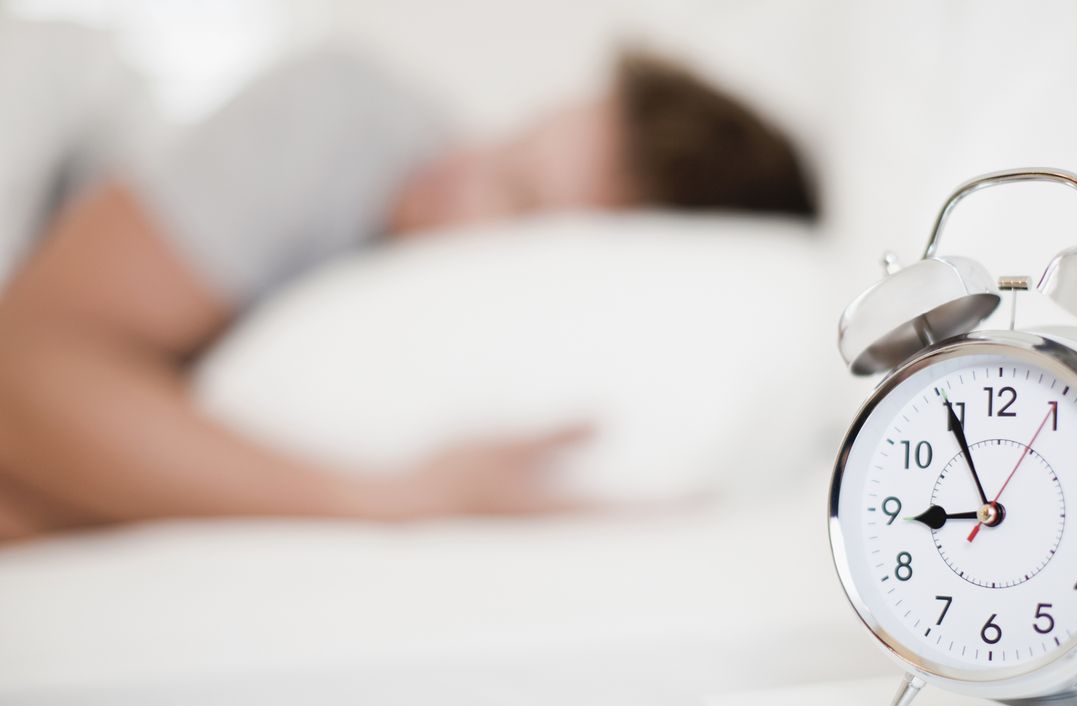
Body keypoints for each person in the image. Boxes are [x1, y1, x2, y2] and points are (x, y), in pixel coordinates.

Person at [0, 45, 818, 541]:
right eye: (513, 138)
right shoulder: (335, 115)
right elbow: (20, 376)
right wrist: (378, 501)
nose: (458, 170)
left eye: (517, 196)